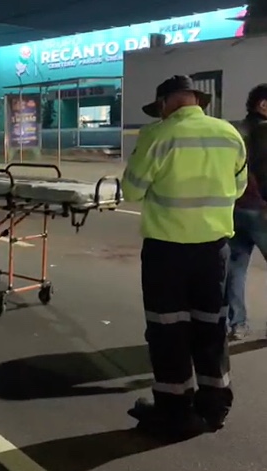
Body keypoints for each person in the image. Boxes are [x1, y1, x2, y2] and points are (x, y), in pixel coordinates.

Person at [122, 75, 247, 438]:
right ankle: (215, 407)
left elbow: (132, 190)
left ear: (166, 103)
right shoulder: (229, 134)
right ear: (196, 100)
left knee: (169, 332)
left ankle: (175, 413)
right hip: (214, 251)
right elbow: (237, 187)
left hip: (168, 253)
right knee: (212, 328)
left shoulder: (156, 136)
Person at [225, 84, 267, 340]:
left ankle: (237, 324)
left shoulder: (232, 131)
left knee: (236, 267)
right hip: (261, 210)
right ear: (263, 104)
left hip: (234, 207)